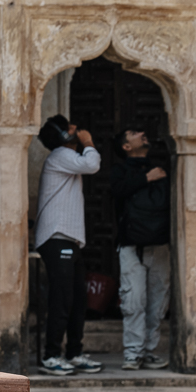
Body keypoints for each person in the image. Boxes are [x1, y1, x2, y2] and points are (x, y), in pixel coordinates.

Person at [33, 115, 104, 376]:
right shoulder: (60, 155)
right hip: (56, 237)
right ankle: (51, 355)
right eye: (71, 128)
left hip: (68, 239)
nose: (77, 129)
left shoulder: (65, 157)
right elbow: (92, 164)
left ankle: (74, 353)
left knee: (77, 299)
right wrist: (89, 142)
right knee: (62, 299)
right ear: (63, 136)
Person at [110, 125, 171, 371]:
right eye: (134, 134)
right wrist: (147, 178)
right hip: (131, 245)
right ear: (126, 147)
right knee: (133, 300)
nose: (141, 134)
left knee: (158, 302)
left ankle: (148, 352)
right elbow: (117, 191)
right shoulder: (120, 171)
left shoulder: (159, 166)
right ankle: (133, 353)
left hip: (160, 245)